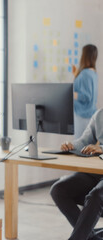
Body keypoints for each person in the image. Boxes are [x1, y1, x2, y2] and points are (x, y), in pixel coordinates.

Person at [50, 108, 103, 240]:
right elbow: (84, 140)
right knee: (59, 190)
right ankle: (91, 237)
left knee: (96, 196)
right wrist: (71, 145)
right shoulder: (100, 114)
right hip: (98, 171)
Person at [72, 44, 98, 139]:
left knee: (79, 145)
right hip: (89, 114)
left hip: (82, 116)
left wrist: (72, 94)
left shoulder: (85, 74)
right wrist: (76, 75)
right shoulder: (93, 73)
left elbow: (87, 96)